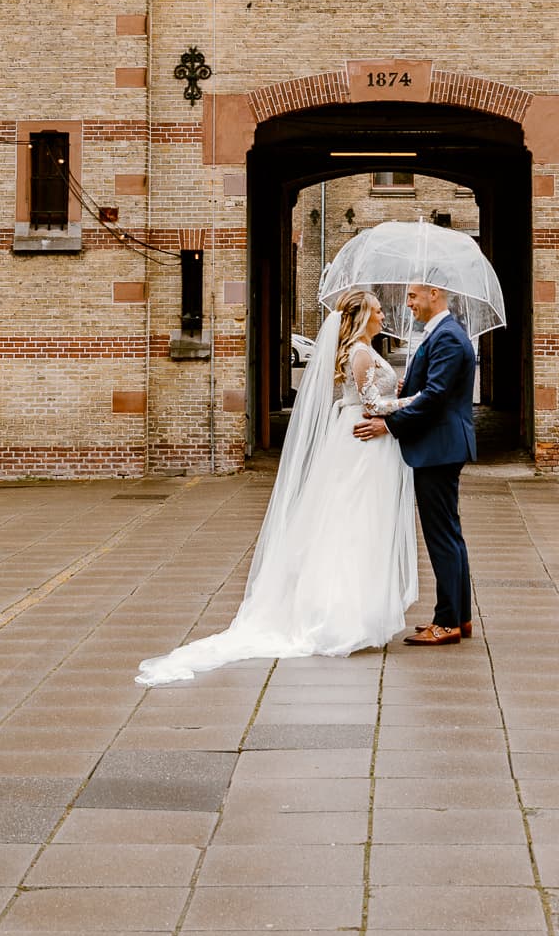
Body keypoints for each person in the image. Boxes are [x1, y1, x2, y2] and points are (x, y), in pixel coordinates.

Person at [135, 288, 416, 685]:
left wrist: (398, 390)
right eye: (378, 309)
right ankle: (341, 614)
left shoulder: (365, 350)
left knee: (358, 525)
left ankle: (356, 609)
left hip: (365, 444)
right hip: (362, 446)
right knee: (353, 525)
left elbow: (374, 395)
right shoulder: (360, 352)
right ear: (361, 315)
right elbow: (372, 406)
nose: (384, 314)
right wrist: (417, 401)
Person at [354, 279, 475, 646]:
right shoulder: (439, 334)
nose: (408, 303)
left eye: (412, 295)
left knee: (441, 536)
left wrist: (389, 425)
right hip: (440, 445)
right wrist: (406, 387)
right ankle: (460, 617)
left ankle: (448, 622)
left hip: (439, 446)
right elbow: (431, 388)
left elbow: (436, 397)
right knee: (449, 533)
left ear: (432, 294)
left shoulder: (448, 336)